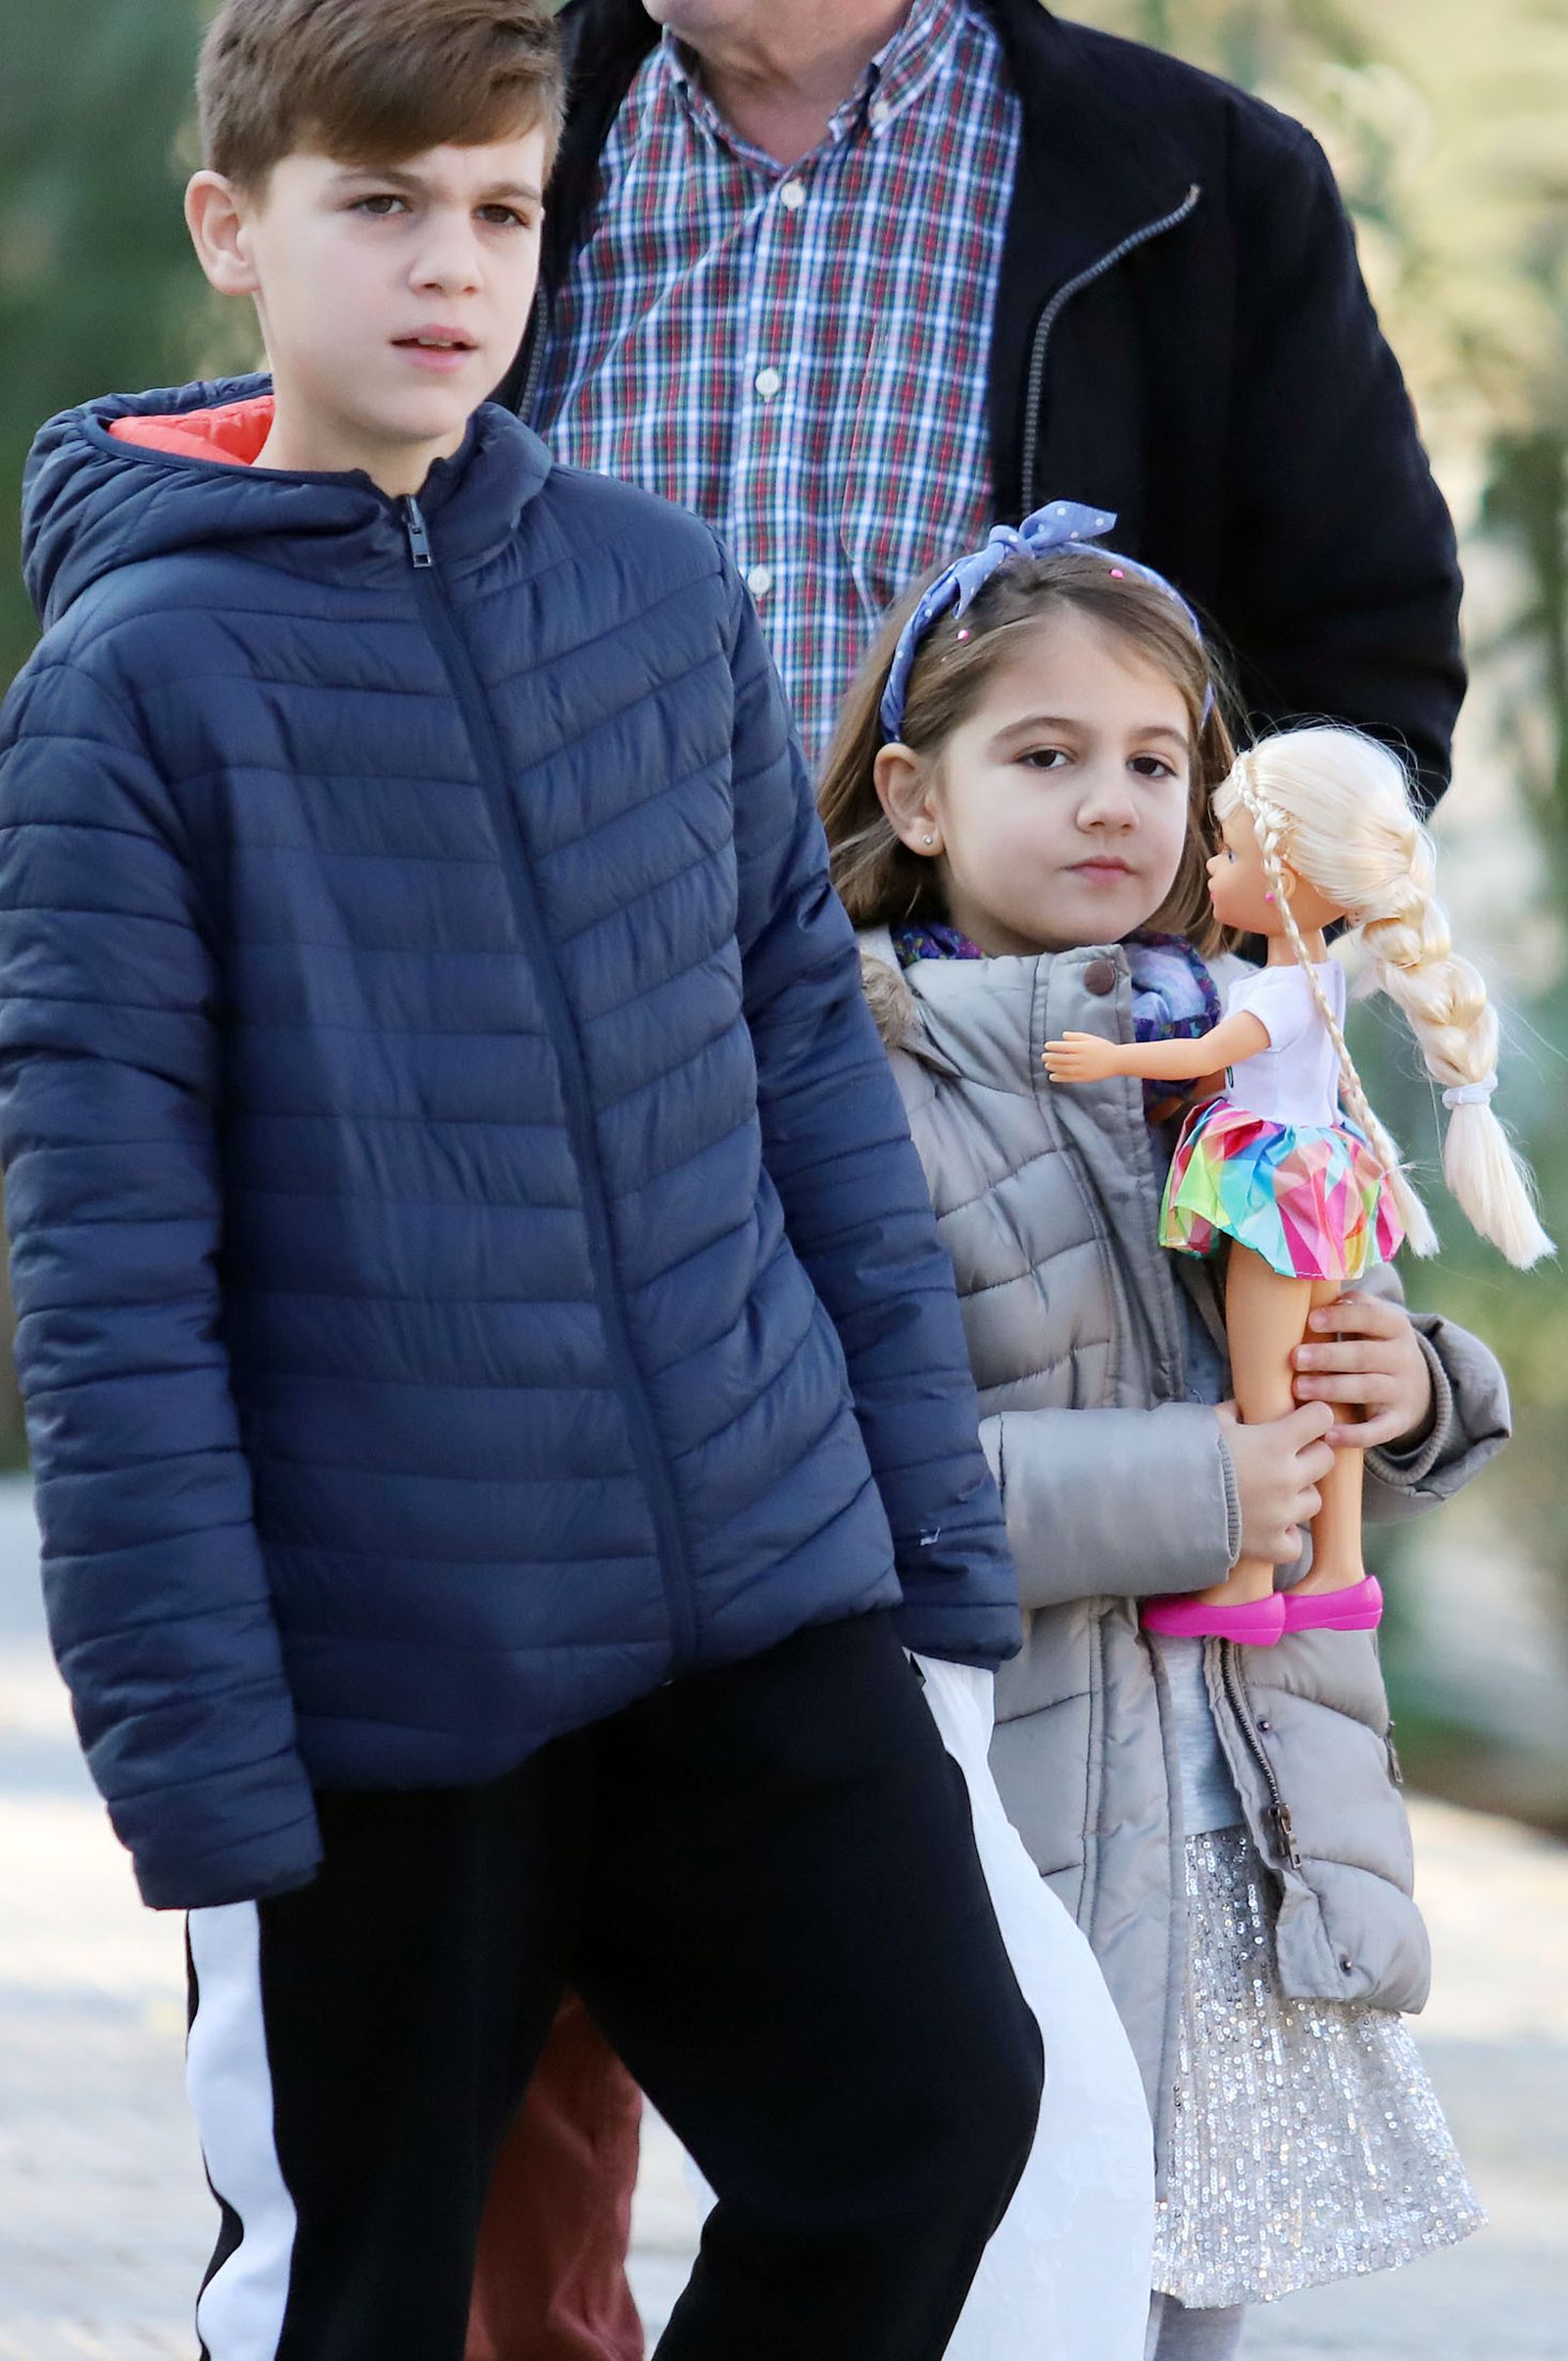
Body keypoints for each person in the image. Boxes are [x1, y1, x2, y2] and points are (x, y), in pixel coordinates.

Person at [0, 1, 1051, 2352]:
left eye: (496, 208)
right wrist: (198, 1771)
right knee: (354, 2295)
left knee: (931, 2113)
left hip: (749, 1598)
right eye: (376, 205)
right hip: (390, 1677)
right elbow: (109, 1271)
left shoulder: (663, 596)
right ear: (233, 233)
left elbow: (810, 1102)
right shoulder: (132, 691)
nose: (446, 266)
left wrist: (927, 1559)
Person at [816, 500, 1508, 2357]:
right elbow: (839, 1479)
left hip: (1242, 1802)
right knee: (1006, 2276)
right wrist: (1195, 1486)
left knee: (1195, 2288)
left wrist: (1415, 1381)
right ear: (921, 788)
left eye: (1153, 759)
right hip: (996, 1801)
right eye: (1045, 756)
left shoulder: (1249, 1042)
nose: (1112, 801)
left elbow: (1319, 1314)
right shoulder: (854, 1081)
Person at [508, 0, 1465, 801]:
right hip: (544, 1015)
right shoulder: (463, 147)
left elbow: (1367, 675)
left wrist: (1171, 980)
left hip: (1028, 1025)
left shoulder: (1206, 182)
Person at [1046, 720, 1550, 1643]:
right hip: (1321, 1183)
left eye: (1231, 847)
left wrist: (1107, 1056)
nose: (1209, 862)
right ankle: (1338, 1566)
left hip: (1274, 1192)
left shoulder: (1278, 987)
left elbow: (1209, 1050)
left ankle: (1247, 1579)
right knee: (1327, 1384)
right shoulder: (1313, 973)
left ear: (1287, 876)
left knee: (1269, 1387)